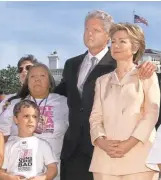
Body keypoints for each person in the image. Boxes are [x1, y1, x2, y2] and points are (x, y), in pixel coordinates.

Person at [54, 10, 157, 180]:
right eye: (86, 29)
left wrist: (133, 141)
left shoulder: (137, 68)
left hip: (125, 151)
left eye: (95, 30)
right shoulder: (71, 64)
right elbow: (59, 93)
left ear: (107, 35)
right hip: (78, 150)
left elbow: (152, 110)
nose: (89, 33)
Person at [89, 22, 160, 180]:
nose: (116, 45)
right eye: (113, 41)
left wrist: (128, 144)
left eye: (122, 41)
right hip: (104, 160)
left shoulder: (147, 75)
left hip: (141, 160)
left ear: (135, 48)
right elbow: (95, 118)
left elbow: (151, 114)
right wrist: (101, 142)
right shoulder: (101, 81)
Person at [0, 63, 68, 180]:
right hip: (16, 171)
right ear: (27, 82)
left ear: (50, 81)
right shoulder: (15, 104)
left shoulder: (64, 103)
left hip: (51, 172)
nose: (37, 79)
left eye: (42, 75)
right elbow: (1, 132)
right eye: (32, 76)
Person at [0, 100, 58, 180]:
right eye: (26, 116)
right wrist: (10, 177)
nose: (31, 120)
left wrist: (42, 178)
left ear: (38, 120)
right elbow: (1, 171)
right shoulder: (8, 146)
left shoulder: (43, 144)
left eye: (34, 116)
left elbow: (53, 168)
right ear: (16, 119)